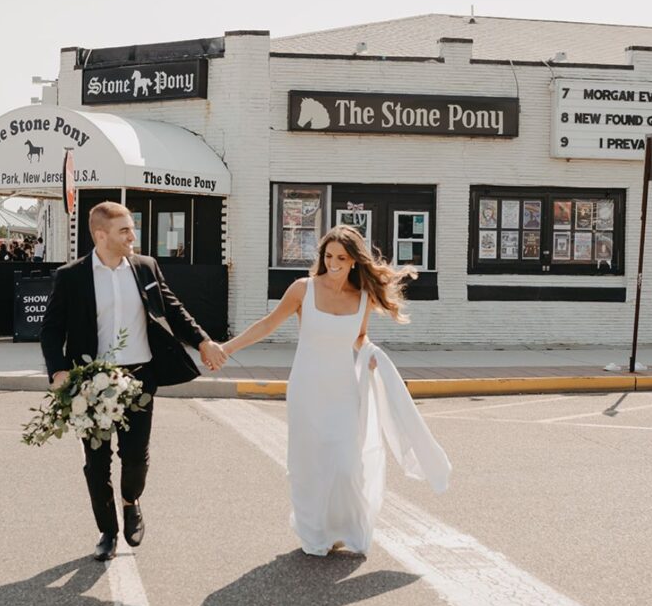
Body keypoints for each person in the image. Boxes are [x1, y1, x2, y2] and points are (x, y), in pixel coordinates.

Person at [223, 225, 451, 556]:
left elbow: (359, 337)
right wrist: (227, 349)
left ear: (354, 261)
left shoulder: (362, 298)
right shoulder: (303, 290)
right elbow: (268, 324)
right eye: (328, 256)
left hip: (344, 388)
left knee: (346, 464)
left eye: (341, 258)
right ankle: (315, 531)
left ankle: (344, 527)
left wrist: (370, 354)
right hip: (308, 388)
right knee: (310, 464)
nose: (333, 263)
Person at [40, 201, 228, 562]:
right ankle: (107, 531)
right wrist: (59, 371)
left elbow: (173, 308)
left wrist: (203, 341)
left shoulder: (145, 267)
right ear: (100, 235)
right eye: (125, 230)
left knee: (136, 457)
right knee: (96, 462)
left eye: (131, 228)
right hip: (90, 381)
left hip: (140, 377)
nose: (133, 235)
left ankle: (131, 500)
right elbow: (51, 330)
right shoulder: (72, 276)